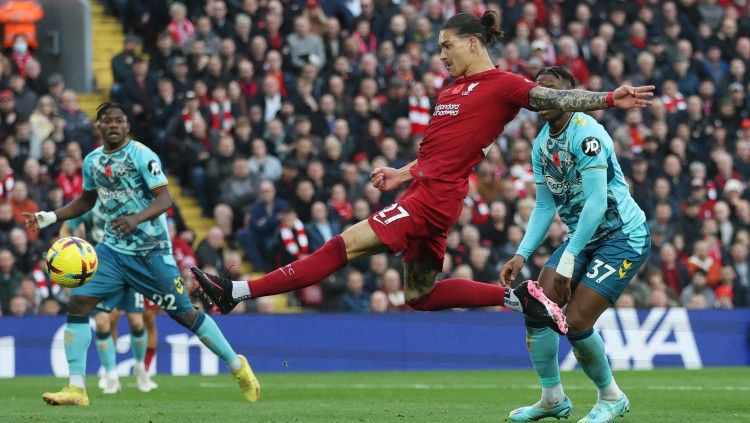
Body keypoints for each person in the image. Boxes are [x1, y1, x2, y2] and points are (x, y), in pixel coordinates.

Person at [192, 11, 652, 349]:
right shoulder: (450, 90)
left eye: (447, 45)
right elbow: (445, 150)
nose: (441, 55)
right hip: (426, 189)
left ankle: (236, 291)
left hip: (433, 198)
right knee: (421, 295)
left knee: (341, 247)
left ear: (473, 42)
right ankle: (519, 299)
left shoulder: (504, 85)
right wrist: (401, 172)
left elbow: (555, 95)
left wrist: (612, 97)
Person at [26, 103, 259, 406]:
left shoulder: (142, 155)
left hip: (151, 252)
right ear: (98, 126)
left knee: (185, 314)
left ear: (126, 126)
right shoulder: (93, 161)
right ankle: (76, 388)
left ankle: (236, 365)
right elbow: (86, 200)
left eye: (118, 121)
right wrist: (51, 217)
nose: (113, 125)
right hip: (112, 250)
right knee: (80, 303)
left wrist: (135, 219)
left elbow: (165, 199)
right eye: (107, 121)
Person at [499, 67, 651, 423]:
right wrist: (521, 254)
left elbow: (597, 205)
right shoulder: (541, 144)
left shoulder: (587, 134)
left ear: (571, 93)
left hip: (622, 236)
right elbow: (544, 206)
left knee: (577, 320)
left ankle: (612, 397)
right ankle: (552, 398)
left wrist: (568, 255)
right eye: (540, 90)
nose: (546, 96)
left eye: (554, 90)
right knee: (536, 307)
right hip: (582, 239)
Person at [60, 201, 157, 394]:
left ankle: (141, 370)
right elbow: (66, 228)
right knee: (103, 323)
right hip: (100, 272)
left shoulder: (128, 202)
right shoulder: (89, 204)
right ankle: (111, 375)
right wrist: (68, 253)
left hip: (129, 267)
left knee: (137, 321)